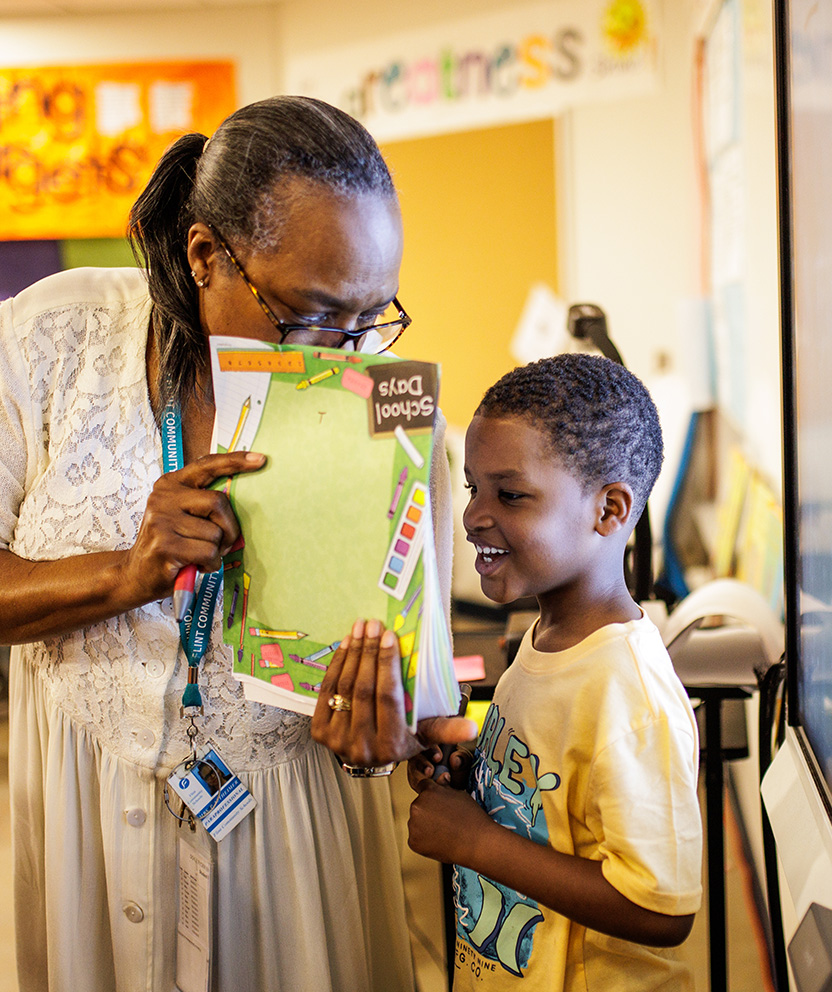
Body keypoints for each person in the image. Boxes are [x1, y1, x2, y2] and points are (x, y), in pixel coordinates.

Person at [0, 95, 469, 992]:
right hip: (86, 828)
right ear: (207, 253)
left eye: (374, 318)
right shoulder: (52, 339)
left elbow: (418, 702)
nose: (347, 356)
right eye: (314, 316)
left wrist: (384, 735)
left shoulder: (398, 428)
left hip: (291, 850)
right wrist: (126, 574)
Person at [406, 353, 703, 990]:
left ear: (609, 511)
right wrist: (475, 783)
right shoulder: (546, 641)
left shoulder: (629, 692)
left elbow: (660, 907)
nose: (473, 517)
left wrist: (475, 843)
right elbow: (556, 804)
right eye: (473, 489)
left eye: (510, 494)